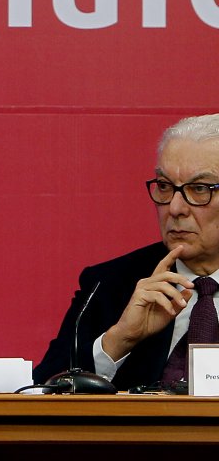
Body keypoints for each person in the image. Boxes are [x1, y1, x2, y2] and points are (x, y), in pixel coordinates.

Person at [35, 114, 219, 391]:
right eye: (165, 186)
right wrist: (119, 339)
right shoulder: (110, 284)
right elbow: (42, 390)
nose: (175, 208)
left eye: (199, 189)